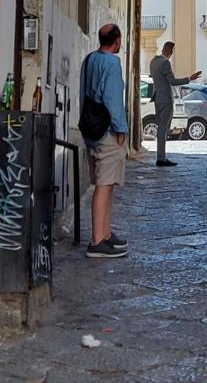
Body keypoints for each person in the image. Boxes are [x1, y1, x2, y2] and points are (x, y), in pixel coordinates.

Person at [80, 23, 129, 259]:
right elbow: (113, 98)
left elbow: (83, 93)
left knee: (106, 183)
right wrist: (121, 128)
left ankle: (106, 233)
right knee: (104, 185)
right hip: (107, 130)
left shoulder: (90, 59)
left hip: (91, 127)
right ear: (117, 40)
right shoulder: (112, 63)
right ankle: (97, 240)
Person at [150, 41, 201, 167]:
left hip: (157, 98)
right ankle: (161, 158)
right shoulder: (165, 63)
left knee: (161, 127)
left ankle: (161, 156)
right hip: (166, 99)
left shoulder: (153, 62)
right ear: (171, 52)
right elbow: (172, 81)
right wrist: (189, 78)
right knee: (163, 128)